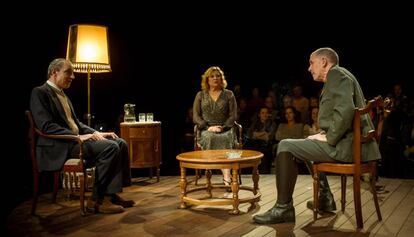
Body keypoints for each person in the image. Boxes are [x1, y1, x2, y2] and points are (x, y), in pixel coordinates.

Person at [253, 47, 381, 224]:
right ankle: (325, 198)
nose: (309, 68)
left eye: (311, 63)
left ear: (323, 62)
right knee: (306, 143)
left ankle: (283, 208)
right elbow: (343, 113)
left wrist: (329, 137)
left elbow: (345, 111)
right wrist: (323, 133)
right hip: (352, 143)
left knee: (285, 145)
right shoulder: (342, 75)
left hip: (348, 147)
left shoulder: (336, 75)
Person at [30, 58, 135, 214]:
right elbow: (46, 126)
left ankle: (110, 194)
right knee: (110, 148)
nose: (73, 77)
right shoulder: (39, 92)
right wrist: (77, 136)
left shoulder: (63, 95)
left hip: (73, 142)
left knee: (119, 142)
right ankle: (96, 201)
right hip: (60, 146)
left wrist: (95, 133)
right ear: (54, 72)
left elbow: (76, 123)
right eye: (68, 72)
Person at [193, 66, 238, 186]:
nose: (215, 78)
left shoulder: (229, 94)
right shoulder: (200, 95)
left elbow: (233, 115)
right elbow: (196, 116)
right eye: (212, 76)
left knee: (225, 138)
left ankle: (227, 176)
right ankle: (215, 172)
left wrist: (223, 127)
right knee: (210, 137)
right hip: (206, 128)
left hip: (226, 128)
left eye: (218, 76)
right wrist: (207, 127)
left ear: (222, 78)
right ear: (207, 79)